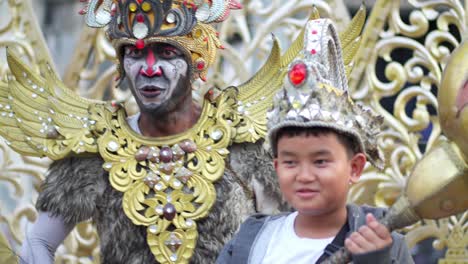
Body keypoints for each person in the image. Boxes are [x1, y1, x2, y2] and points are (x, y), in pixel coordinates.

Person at [1, 1, 289, 263]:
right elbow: (37, 242)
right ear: (122, 65)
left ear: (194, 61)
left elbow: (288, 236)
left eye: (166, 53)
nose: (149, 69)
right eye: (136, 54)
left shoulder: (238, 138)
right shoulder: (99, 147)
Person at [216, 19, 414, 264]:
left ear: (355, 167)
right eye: (290, 163)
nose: (304, 175)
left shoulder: (380, 242)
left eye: (320, 161)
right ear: (276, 167)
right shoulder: (251, 239)